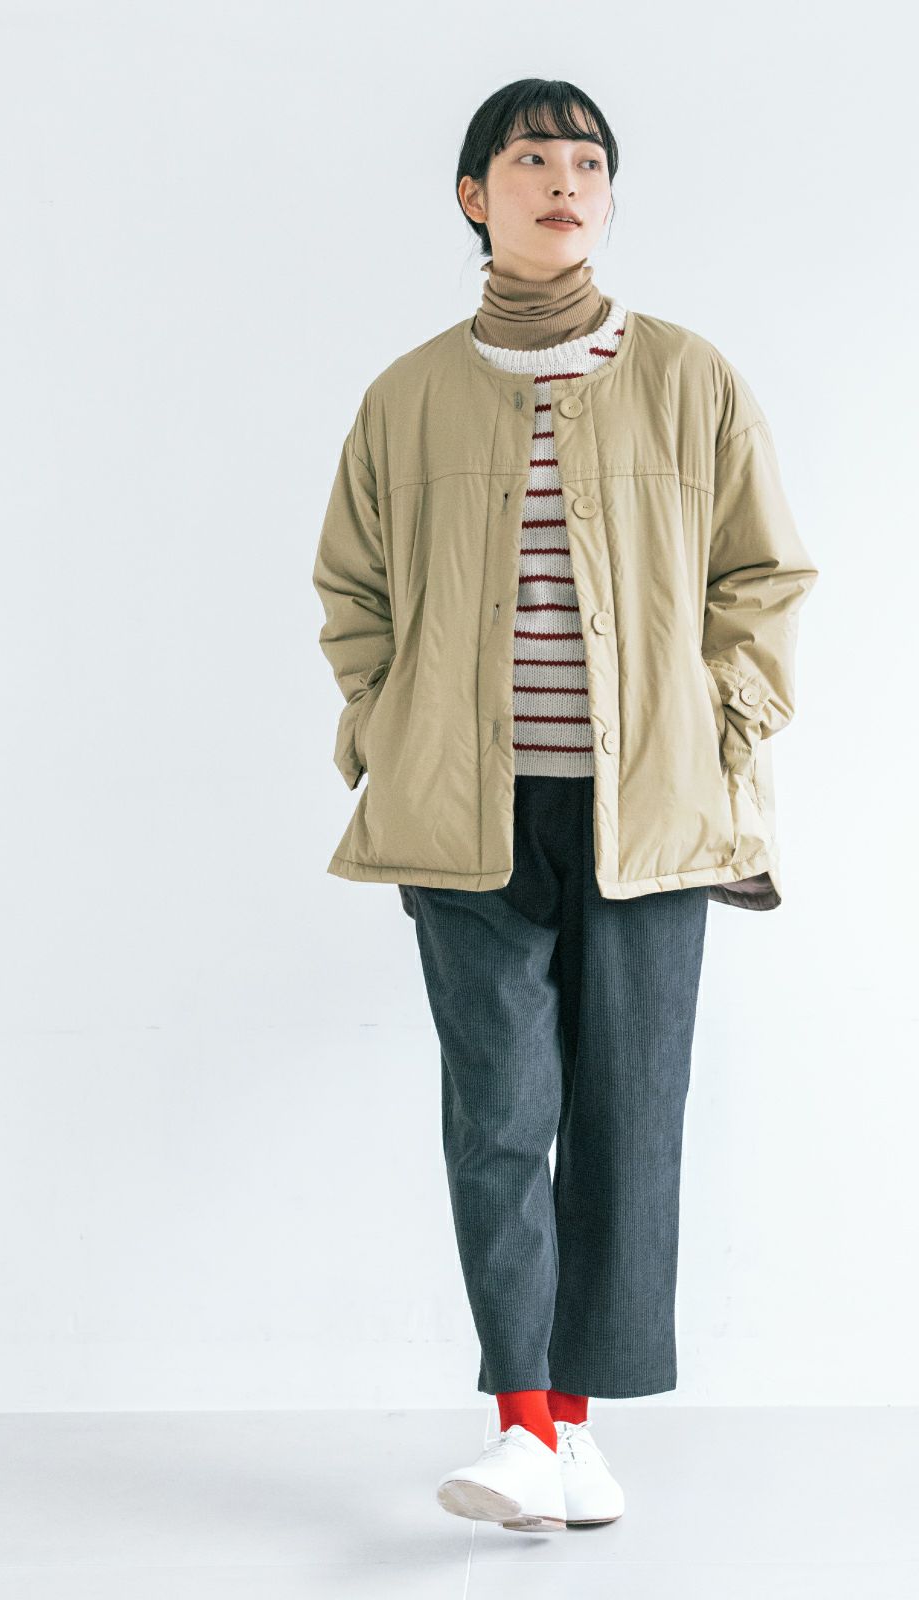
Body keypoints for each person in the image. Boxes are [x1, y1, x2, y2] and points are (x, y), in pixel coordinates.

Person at [311, 79, 818, 1534]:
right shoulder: (407, 395)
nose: (564, 180)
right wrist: (385, 730)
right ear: (476, 197)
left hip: (648, 815)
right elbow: (352, 590)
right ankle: (528, 1426)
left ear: (608, 195)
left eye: (587, 161)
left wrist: (720, 729)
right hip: (464, 818)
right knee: (498, 1115)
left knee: (625, 1118)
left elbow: (765, 578)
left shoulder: (689, 377)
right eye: (530, 157)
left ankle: (571, 1434)